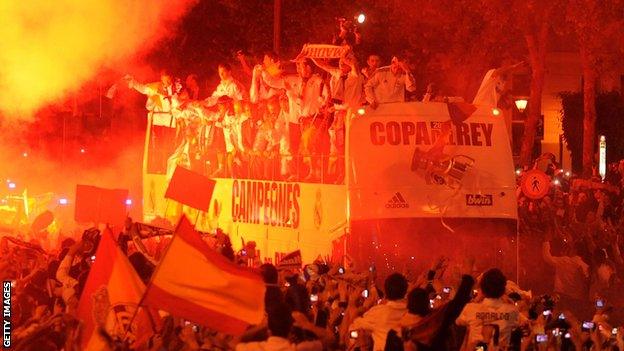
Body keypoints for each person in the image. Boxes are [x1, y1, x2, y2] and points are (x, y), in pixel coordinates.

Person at [262, 58, 328, 181]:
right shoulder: (292, 80)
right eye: (297, 66)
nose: (297, 68)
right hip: (298, 120)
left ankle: (315, 173)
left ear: (308, 67)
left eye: (300, 66)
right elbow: (272, 81)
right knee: (294, 148)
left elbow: (327, 96)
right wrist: (264, 70)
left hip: (313, 119)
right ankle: (298, 173)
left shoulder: (318, 81)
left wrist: (323, 104)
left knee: (310, 146)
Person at [125, 70, 181, 173]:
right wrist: (133, 81)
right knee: (158, 146)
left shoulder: (177, 88)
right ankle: (159, 167)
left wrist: (172, 99)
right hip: (158, 121)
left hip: (171, 122)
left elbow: (179, 102)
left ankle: (168, 167)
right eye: (165, 78)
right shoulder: (155, 87)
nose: (168, 81)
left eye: (169, 78)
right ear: (161, 78)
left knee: (169, 145)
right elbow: (143, 88)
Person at [456, 268, 520, 350]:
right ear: (503, 289)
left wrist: (476, 300)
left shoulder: (471, 308)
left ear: (482, 289)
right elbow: (519, 323)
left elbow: (459, 322)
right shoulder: (512, 311)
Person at [349, 273, 408, 351]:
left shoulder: (379, 312)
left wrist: (356, 306)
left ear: (386, 292)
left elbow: (353, 328)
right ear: (405, 290)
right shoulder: (414, 310)